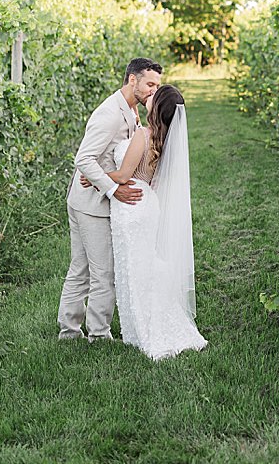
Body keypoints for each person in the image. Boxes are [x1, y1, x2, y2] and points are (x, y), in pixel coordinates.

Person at [57, 58, 161, 341]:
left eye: (157, 86)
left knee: (81, 268)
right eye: (149, 84)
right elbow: (84, 159)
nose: (153, 91)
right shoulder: (110, 113)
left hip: (86, 199)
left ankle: (68, 332)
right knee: (102, 272)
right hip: (91, 204)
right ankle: (99, 335)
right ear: (132, 80)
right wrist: (114, 189)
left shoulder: (131, 109)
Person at [106, 84, 208, 359]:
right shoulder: (162, 139)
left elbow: (124, 175)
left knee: (134, 270)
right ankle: (154, 322)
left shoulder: (143, 135)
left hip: (131, 207)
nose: (149, 96)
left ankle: (145, 330)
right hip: (148, 203)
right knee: (144, 266)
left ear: (158, 106)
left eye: (154, 95)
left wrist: (95, 177)